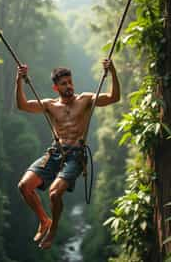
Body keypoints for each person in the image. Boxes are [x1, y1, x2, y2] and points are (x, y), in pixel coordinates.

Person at [16, 59, 120, 249]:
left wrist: (112, 72)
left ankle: (53, 230)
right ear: (56, 88)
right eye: (64, 84)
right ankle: (44, 220)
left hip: (77, 155)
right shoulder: (50, 105)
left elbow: (114, 97)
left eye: (70, 82)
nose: (69, 86)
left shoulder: (86, 99)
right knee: (24, 186)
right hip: (55, 152)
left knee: (54, 193)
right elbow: (22, 105)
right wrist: (19, 80)